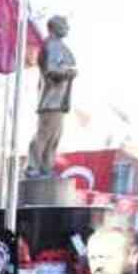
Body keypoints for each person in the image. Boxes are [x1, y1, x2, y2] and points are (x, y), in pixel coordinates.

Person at [25, 15, 78, 178]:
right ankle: (33, 167)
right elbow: (51, 70)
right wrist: (69, 72)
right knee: (45, 134)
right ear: (55, 27)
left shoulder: (59, 46)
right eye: (65, 25)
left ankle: (46, 167)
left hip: (59, 100)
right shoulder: (51, 45)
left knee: (54, 136)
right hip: (51, 99)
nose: (67, 28)